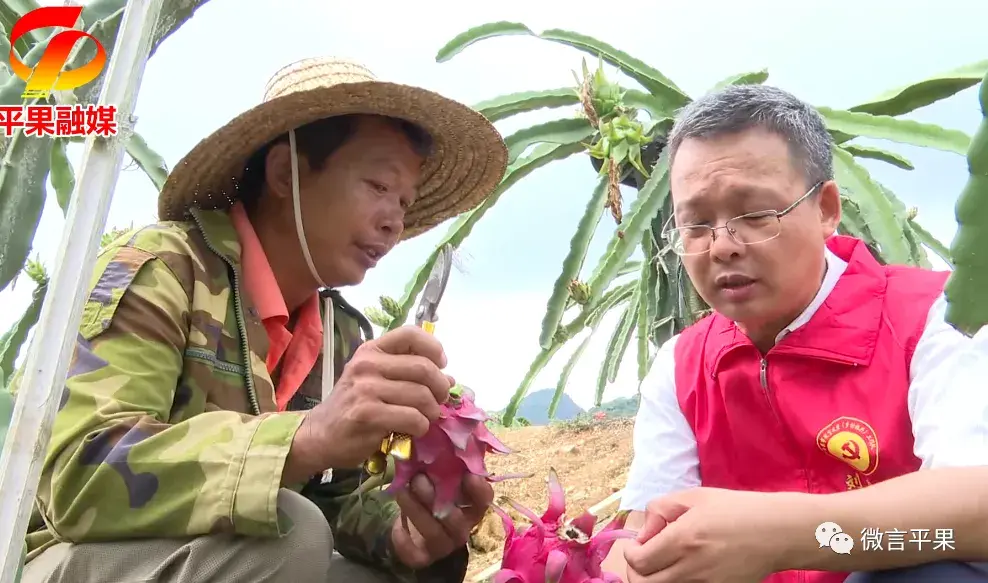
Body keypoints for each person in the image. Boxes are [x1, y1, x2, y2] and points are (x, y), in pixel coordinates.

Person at [16, 57, 508, 583]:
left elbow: (332, 496)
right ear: (285, 174)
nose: (394, 221)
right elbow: (79, 475)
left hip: (225, 563)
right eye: (378, 186)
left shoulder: (337, 332)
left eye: (405, 202)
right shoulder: (162, 271)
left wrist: (402, 534)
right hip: (69, 558)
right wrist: (302, 438)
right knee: (288, 535)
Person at [601, 84, 988, 583]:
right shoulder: (682, 365)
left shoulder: (939, 319)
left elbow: (979, 500)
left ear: (827, 208)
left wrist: (781, 536)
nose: (722, 247)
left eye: (756, 215)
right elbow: (642, 530)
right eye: (695, 224)